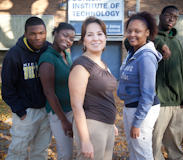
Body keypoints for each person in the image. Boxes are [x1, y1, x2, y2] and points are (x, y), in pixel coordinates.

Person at [1, 17, 52, 160]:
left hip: (46, 111)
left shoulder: (49, 49)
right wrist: (20, 110)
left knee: (41, 152)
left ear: (46, 32)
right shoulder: (14, 54)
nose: (38, 37)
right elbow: (7, 88)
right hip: (26, 112)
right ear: (25, 34)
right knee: (18, 152)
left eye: (41, 33)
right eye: (32, 33)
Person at [68, 16, 118, 160]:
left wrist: (111, 123)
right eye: (90, 35)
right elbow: (76, 105)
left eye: (99, 34)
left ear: (105, 38)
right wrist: (85, 140)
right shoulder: (81, 65)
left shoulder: (102, 63)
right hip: (91, 126)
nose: (95, 38)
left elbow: (104, 95)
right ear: (83, 40)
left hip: (106, 125)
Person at [117, 12, 162, 160]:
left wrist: (137, 123)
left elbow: (148, 95)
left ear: (147, 33)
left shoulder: (146, 57)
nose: (132, 34)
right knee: (134, 149)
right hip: (131, 106)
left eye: (138, 31)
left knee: (142, 153)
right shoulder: (133, 52)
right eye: (129, 31)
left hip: (141, 110)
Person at [151, 5, 183, 160]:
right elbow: (129, 42)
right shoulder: (149, 38)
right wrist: (159, 42)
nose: (171, 19)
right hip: (159, 100)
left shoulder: (177, 43)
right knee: (155, 140)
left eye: (175, 17)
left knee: (175, 140)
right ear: (160, 16)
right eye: (168, 15)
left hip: (177, 100)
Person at [38, 23, 76, 160]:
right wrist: (64, 120)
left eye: (71, 38)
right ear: (55, 33)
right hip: (59, 114)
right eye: (65, 35)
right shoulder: (48, 58)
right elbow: (48, 92)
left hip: (73, 110)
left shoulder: (66, 54)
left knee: (81, 148)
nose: (68, 40)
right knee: (66, 154)